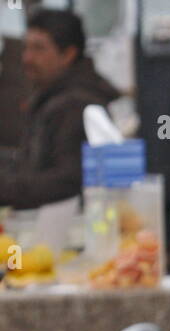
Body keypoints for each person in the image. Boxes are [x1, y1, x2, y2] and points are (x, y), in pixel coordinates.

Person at [0, 8, 121, 210]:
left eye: (39, 48)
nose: (27, 58)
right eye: (26, 48)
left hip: (67, 232)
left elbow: (67, 181)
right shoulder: (52, 98)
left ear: (68, 54)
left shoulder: (76, 106)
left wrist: (6, 189)